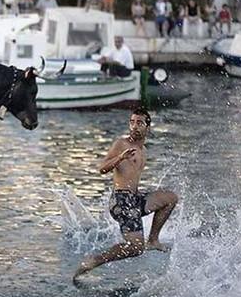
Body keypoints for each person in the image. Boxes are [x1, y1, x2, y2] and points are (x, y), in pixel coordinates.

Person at [73, 108, 178, 284]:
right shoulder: (121, 144)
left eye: (139, 123)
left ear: (147, 127)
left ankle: (153, 240)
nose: (134, 126)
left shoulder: (143, 149)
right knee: (136, 248)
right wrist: (120, 158)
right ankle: (94, 261)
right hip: (121, 200)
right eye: (132, 122)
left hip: (134, 199)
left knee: (170, 199)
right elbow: (102, 169)